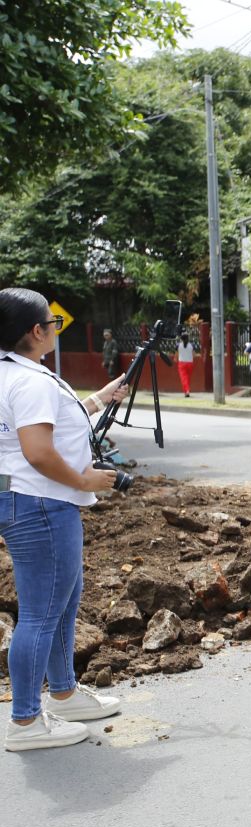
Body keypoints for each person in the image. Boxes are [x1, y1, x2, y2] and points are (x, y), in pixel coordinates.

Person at [0, 288, 131, 751]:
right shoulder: (32, 381)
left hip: (24, 500)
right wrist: (84, 480)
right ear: (37, 331)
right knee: (39, 614)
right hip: (41, 503)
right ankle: (25, 722)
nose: (55, 330)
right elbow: (37, 451)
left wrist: (98, 399)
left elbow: (44, 426)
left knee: (63, 600)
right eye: (52, 324)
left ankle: (64, 693)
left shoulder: (12, 374)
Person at [175, 332, 195, 397]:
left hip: (181, 363)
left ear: (181, 339)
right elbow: (194, 354)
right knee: (188, 378)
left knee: (184, 378)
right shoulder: (192, 345)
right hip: (190, 363)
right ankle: (186, 391)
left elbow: (176, 354)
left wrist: (175, 358)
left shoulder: (178, 345)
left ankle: (187, 391)